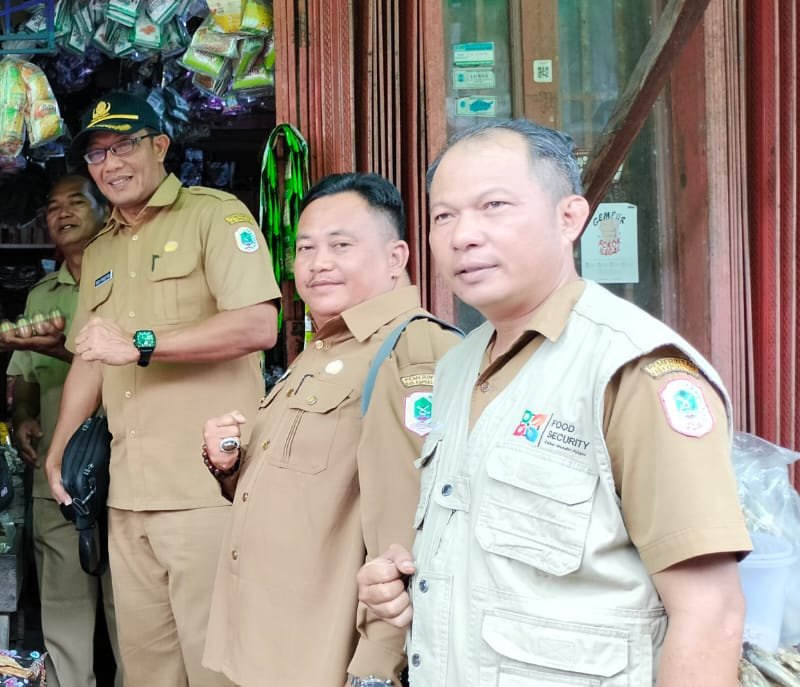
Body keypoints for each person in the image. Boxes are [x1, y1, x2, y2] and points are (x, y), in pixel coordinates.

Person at [355, 119, 750, 686]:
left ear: (570, 218)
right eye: (444, 216)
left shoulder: (631, 369)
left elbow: (711, 614)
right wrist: (407, 585)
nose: (463, 235)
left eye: (494, 205)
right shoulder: (455, 368)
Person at [42, 92, 280, 687]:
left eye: (123, 145)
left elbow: (259, 325)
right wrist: (60, 448)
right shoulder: (100, 251)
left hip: (206, 489)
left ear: (159, 146)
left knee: (216, 665)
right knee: (145, 669)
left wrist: (143, 342)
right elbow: (88, 361)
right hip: (125, 496)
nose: (111, 164)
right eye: (97, 154)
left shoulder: (214, 215)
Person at [197, 173, 460, 687]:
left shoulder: (411, 352)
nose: (318, 264)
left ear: (396, 257)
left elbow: (409, 533)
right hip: (268, 641)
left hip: (325, 657)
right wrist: (227, 464)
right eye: (306, 248)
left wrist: (377, 667)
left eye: (341, 245)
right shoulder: (322, 350)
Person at [3, 174, 121, 687]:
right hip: (57, 476)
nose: (63, 212)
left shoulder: (128, 278)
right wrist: (22, 416)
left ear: (105, 209)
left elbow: (136, 362)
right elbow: (23, 379)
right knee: (64, 612)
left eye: (77, 201)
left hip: (124, 468)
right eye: (52, 206)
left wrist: (59, 349)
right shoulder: (41, 296)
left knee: (134, 614)